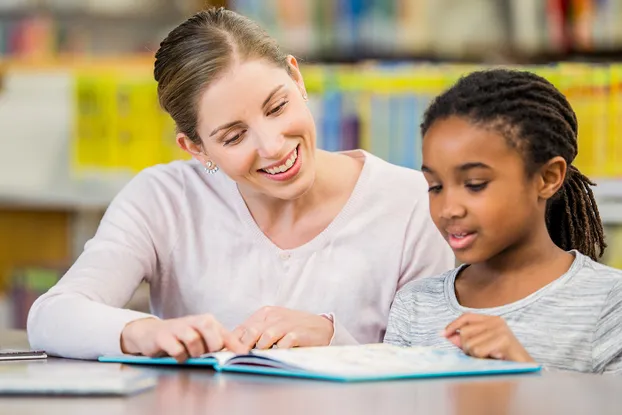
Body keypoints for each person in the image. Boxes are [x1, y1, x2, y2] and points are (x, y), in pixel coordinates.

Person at [27, 8, 453, 361]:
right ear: (196, 148)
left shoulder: (410, 202)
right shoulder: (164, 199)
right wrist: (142, 332)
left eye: (277, 106)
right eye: (233, 137)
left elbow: (439, 358)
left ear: (297, 78)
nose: (272, 147)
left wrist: (331, 338)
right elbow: (51, 315)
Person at [384, 68, 622, 374]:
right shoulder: (415, 305)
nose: (449, 209)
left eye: (475, 184)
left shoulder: (610, 303)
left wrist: (523, 373)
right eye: (435, 187)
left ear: (547, 178)